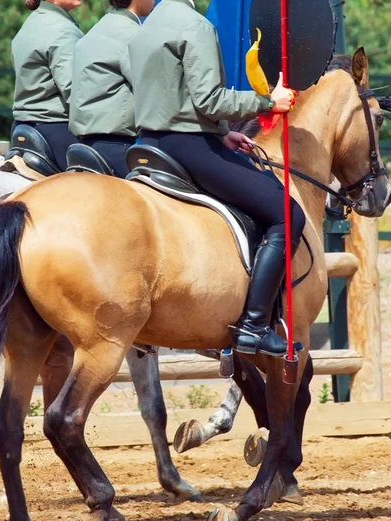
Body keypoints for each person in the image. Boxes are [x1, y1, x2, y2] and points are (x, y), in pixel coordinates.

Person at [129, 0, 305, 357]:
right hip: (190, 148)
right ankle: (254, 327)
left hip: (150, 141)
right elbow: (210, 101)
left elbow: (173, 94)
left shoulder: (147, 25)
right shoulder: (194, 26)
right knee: (287, 214)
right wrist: (268, 102)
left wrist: (222, 133)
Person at [69, 0, 154, 177]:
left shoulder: (95, 31)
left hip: (83, 146)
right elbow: (156, 91)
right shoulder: (134, 36)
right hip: (118, 150)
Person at [11, 0, 83, 171]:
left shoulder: (31, 23)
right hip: (57, 131)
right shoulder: (63, 30)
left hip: (23, 127)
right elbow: (76, 93)